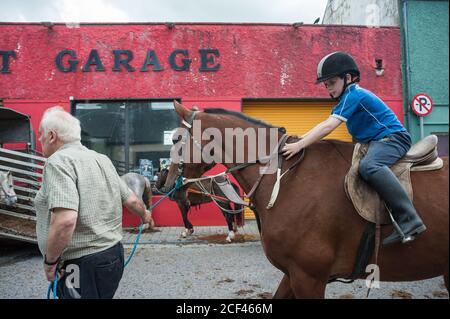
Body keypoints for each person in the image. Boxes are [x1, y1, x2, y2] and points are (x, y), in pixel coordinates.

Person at [282, 51, 426, 246]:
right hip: (376, 142)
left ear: (347, 78)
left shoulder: (354, 95)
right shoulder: (345, 100)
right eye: (326, 85)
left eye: (331, 83)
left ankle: (410, 219)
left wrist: (299, 145)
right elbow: (323, 124)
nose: (328, 89)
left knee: (369, 166)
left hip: (393, 139)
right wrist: (298, 139)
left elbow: (328, 126)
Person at [34, 106, 153, 299]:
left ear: (52, 136)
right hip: (113, 257)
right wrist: (145, 214)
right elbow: (132, 200)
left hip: (80, 264)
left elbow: (65, 221)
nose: (39, 139)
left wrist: (50, 262)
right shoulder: (102, 159)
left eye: (40, 134)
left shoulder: (57, 162)